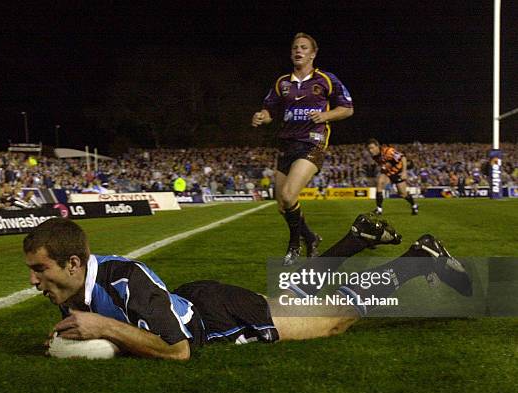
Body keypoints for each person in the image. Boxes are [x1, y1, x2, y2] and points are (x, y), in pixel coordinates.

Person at [24, 216, 471, 361]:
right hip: (198, 298)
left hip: (216, 314)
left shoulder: (125, 279)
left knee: (334, 321)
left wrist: (103, 326)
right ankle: (359, 239)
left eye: (41, 270)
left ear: (74, 263)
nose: (34, 281)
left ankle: (417, 260)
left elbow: (178, 352)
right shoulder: (72, 290)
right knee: (302, 300)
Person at [251, 32, 354, 265]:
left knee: (289, 196)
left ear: (313, 54)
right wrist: (262, 117)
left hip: (312, 142)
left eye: (304, 48)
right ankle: (311, 237)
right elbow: (270, 110)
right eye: (295, 47)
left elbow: (347, 108)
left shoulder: (326, 80)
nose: (299, 51)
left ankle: (294, 244)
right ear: (291, 53)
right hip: (286, 144)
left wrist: (326, 115)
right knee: (282, 205)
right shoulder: (282, 83)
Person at [366, 138, 419, 215]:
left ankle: (414, 205)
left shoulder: (388, 151)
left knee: (402, 194)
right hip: (387, 172)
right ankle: (379, 209)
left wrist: (404, 172)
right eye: (369, 149)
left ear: (377, 146)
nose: (370, 150)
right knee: (379, 183)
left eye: (372, 148)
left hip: (398, 172)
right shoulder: (374, 156)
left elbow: (403, 157)